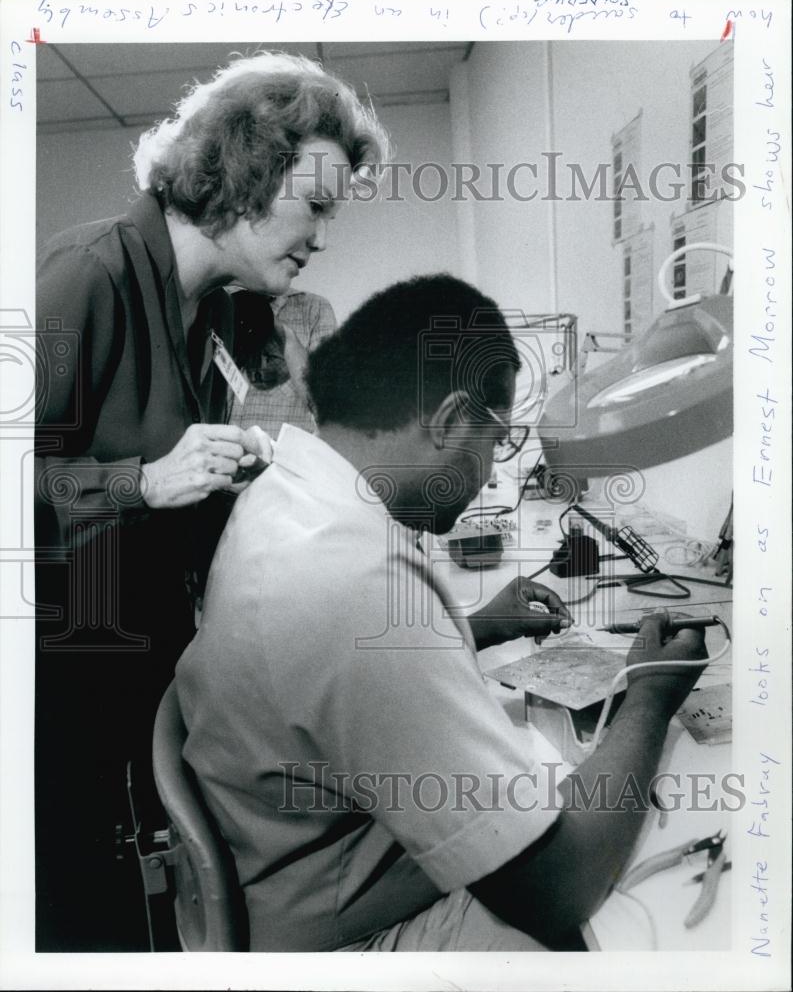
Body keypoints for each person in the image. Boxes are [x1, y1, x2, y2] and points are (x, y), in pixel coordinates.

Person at [175, 274, 708, 952]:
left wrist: (473, 628)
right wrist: (648, 696)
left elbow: (319, 674)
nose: (491, 474)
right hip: (345, 939)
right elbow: (556, 887)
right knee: (628, 924)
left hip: (295, 869)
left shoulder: (286, 495)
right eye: (497, 441)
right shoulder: (353, 578)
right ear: (452, 420)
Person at [34, 50, 388, 951]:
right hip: (59, 678)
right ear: (243, 177)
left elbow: (188, 487)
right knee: (89, 917)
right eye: (313, 203)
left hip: (152, 655)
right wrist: (143, 482)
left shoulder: (221, 314)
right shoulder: (90, 275)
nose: (320, 234)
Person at [229, 288, 338, 435]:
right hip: (217, 452)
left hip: (280, 454)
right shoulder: (215, 301)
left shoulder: (315, 308)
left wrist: (283, 334)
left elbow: (326, 406)